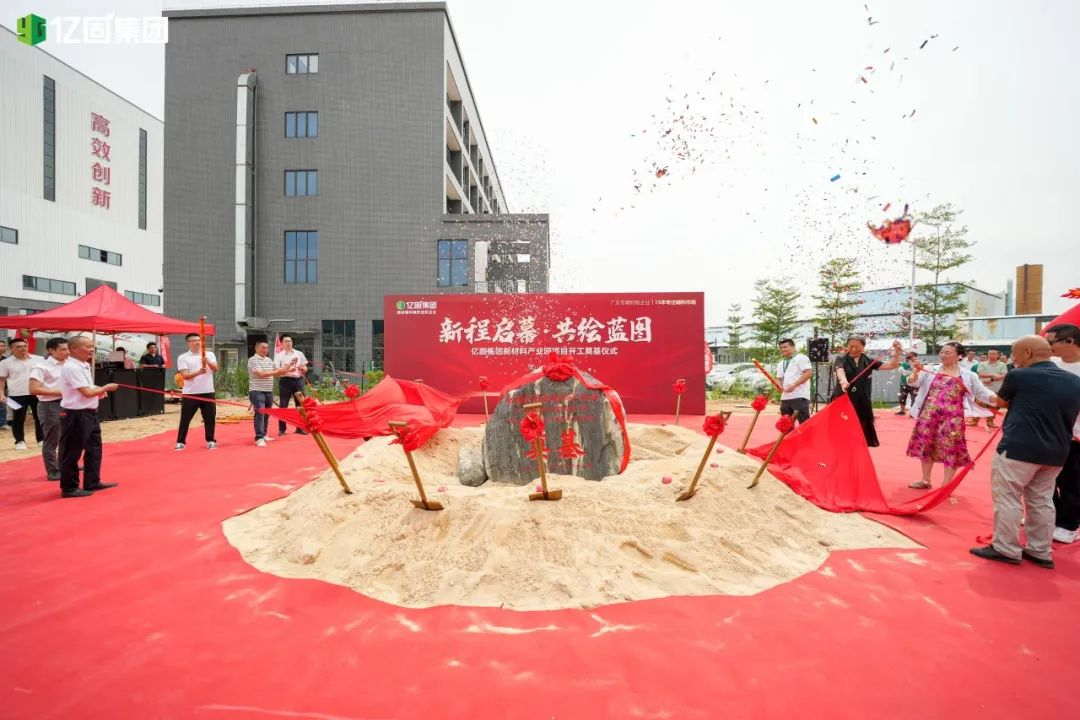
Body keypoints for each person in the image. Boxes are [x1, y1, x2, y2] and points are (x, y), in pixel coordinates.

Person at [970, 335, 1080, 568]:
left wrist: (981, 396)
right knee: (1042, 500)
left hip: (1018, 448)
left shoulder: (1019, 375)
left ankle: (1005, 548)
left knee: (1008, 497)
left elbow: (1001, 402)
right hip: (1057, 451)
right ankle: (1040, 550)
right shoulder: (1074, 381)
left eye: (1014, 353)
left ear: (1027, 353)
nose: (1013, 358)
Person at [905, 342, 997, 489]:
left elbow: (982, 392)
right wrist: (915, 373)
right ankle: (925, 480)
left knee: (951, 448)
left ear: (959, 355)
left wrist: (997, 399)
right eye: (942, 352)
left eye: (947, 352)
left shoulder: (968, 375)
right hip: (928, 417)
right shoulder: (931, 369)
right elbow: (913, 383)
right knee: (926, 445)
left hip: (953, 419)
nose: (943, 355)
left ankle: (946, 486)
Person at [58, 335, 119, 498]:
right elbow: (86, 392)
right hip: (76, 414)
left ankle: (92, 481)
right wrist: (105, 387)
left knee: (94, 449)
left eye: (93, 346)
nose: (92, 349)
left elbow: (89, 388)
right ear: (74, 348)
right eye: (88, 346)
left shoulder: (84, 365)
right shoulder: (71, 367)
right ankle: (69, 487)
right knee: (72, 451)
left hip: (90, 413)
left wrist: (99, 391)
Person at [832, 336, 903, 447]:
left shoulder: (868, 361)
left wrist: (897, 351)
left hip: (863, 400)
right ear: (847, 346)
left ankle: (858, 451)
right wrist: (843, 381)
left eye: (857, 347)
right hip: (844, 399)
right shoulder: (841, 359)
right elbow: (840, 371)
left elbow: (892, 365)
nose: (853, 349)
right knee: (842, 430)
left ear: (863, 347)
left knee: (861, 432)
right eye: (851, 346)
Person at [1045, 323, 1080, 544]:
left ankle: (1069, 525)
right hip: (1048, 432)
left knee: (1071, 482)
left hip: (1075, 436)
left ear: (1069, 341)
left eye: (1051, 342)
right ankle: (1049, 516)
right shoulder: (1051, 366)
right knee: (1044, 480)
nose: (1048, 347)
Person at [29, 337, 68, 481]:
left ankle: (65, 464)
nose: (67, 352)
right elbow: (33, 389)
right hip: (49, 405)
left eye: (67, 349)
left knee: (67, 436)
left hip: (68, 403)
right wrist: (61, 391)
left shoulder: (69, 364)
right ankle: (52, 470)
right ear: (51, 350)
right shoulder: (41, 367)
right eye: (63, 349)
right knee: (52, 439)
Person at [174, 333, 219, 450]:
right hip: (190, 393)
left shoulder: (209, 354)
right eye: (194, 340)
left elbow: (215, 369)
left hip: (208, 391)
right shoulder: (183, 357)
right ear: (188, 343)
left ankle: (210, 440)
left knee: (210, 418)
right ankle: (180, 442)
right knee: (185, 419)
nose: (198, 342)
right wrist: (199, 372)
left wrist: (208, 361)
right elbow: (185, 376)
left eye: (199, 340)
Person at [248, 340, 295, 446]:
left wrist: (290, 366)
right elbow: (260, 374)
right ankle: (259, 437)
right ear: (256, 348)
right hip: (257, 391)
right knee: (260, 414)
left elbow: (279, 371)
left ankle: (264, 434)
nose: (265, 350)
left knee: (266, 414)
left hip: (268, 391)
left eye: (267, 348)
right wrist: (277, 372)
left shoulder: (269, 360)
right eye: (263, 347)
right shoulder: (253, 360)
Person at [0, 338, 44, 450]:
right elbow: (2, 380)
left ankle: (41, 439)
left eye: (24, 346)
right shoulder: (5, 363)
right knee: (18, 418)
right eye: (18, 347)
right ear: (11, 349)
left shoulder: (39, 359)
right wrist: (1, 394)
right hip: (16, 394)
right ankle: (19, 441)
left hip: (37, 392)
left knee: (39, 417)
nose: (22, 348)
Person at [274, 335, 308, 436]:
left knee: (301, 405)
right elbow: (277, 371)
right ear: (282, 343)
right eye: (286, 341)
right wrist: (288, 369)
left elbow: (305, 367)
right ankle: (282, 429)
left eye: (290, 341)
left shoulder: (299, 353)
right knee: (283, 405)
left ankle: (300, 428)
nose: (289, 343)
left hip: (298, 380)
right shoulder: (279, 355)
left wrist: (303, 368)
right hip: (285, 381)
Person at [775, 338, 812, 424]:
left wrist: (794, 385)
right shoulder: (781, 363)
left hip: (799, 396)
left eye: (785, 347)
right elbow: (779, 378)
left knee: (804, 424)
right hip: (785, 398)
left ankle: (806, 435)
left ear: (793, 347)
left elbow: (808, 373)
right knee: (786, 425)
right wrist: (778, 386)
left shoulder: (801, 358)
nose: (782, 349)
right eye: (781, 348)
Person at [975, 349, 1008, 429]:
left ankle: (990, 421)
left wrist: (991, 378)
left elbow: (1002, 376)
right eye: (990, 353)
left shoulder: (1002, 365)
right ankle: (974, 420)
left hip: (996, 388)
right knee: (979, 403)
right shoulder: (982, 363)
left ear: (998, 355)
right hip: (983, 388)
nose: (991, 355)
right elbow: (981, 374)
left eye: (993, 354)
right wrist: (994, 375)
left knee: (993, 405)